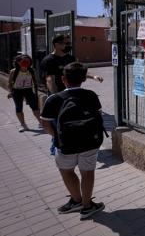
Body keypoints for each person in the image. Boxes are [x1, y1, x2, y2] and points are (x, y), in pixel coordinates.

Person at [40, 62, 106, 220]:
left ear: (63, 79)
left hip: (65, 144)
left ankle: (76, 200)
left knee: (67, 171)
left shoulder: (54, 99)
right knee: (87, 173)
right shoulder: (90, 95)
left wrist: (56, 137)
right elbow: (99, 116)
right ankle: (87, 205)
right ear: (83, 79)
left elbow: (45, 123)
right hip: (90, 142)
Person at [41, 34, 103, 155]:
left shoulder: (70, 58)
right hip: (59, 98)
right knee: (58, 125)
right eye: (65, 43)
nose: (68, 45)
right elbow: (50, 80)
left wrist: (93, 76)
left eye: (68, 43)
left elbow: (80, 69)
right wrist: (58, 98)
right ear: (56, 44)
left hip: (73, 97)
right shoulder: (48, 60)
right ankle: (57, 147)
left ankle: (72, 146)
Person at [7, 54, 41, 132]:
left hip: (28, 90)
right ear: (18, 62)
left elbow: (35, 82)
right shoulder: (14, 71)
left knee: (35, 106)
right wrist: (10, 92)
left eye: (27, 60)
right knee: (19, 107)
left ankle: (41, 122)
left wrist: (35, 91)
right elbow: (9, 83)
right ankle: (23, 125)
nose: (25, 62)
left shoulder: (32, 70)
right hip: (17, 91)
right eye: (23, 61)